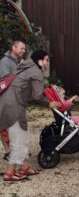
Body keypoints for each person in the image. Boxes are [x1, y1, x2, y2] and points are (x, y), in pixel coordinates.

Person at [0, 50, 60, 181]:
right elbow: (37, 95)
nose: (47, 63)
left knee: (25, 135)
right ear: (39, 60)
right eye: (46, 60)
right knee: (19, 139)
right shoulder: (36, 72)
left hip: (7, 104)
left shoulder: (25, 67)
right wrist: (50, 103)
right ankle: (10, 173)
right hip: (14, 108)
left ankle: (25, 167)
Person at [0, 40, 26, 161]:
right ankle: (8, 152)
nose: (23, 51)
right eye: (21, 48)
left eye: (24, 49)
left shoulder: (18, 61)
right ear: (13, 48)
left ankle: (16, 151)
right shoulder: (4, 62)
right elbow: (5, 81)